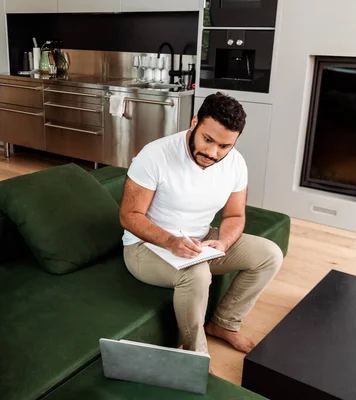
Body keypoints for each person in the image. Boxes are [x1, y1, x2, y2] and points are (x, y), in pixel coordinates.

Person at [119, 92, 283, 362]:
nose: (212, 153)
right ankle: (194, 355)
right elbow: (129, 215)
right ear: (194, 122)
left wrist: (223, 243)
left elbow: (234, 216)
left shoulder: (235, 163)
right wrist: (171, 242)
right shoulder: (155, 155)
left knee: (269, 255)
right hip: (145, 247)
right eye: (208, 139)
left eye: (224, 146)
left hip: (200, 241)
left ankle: (224, 323)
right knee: (196, 275)